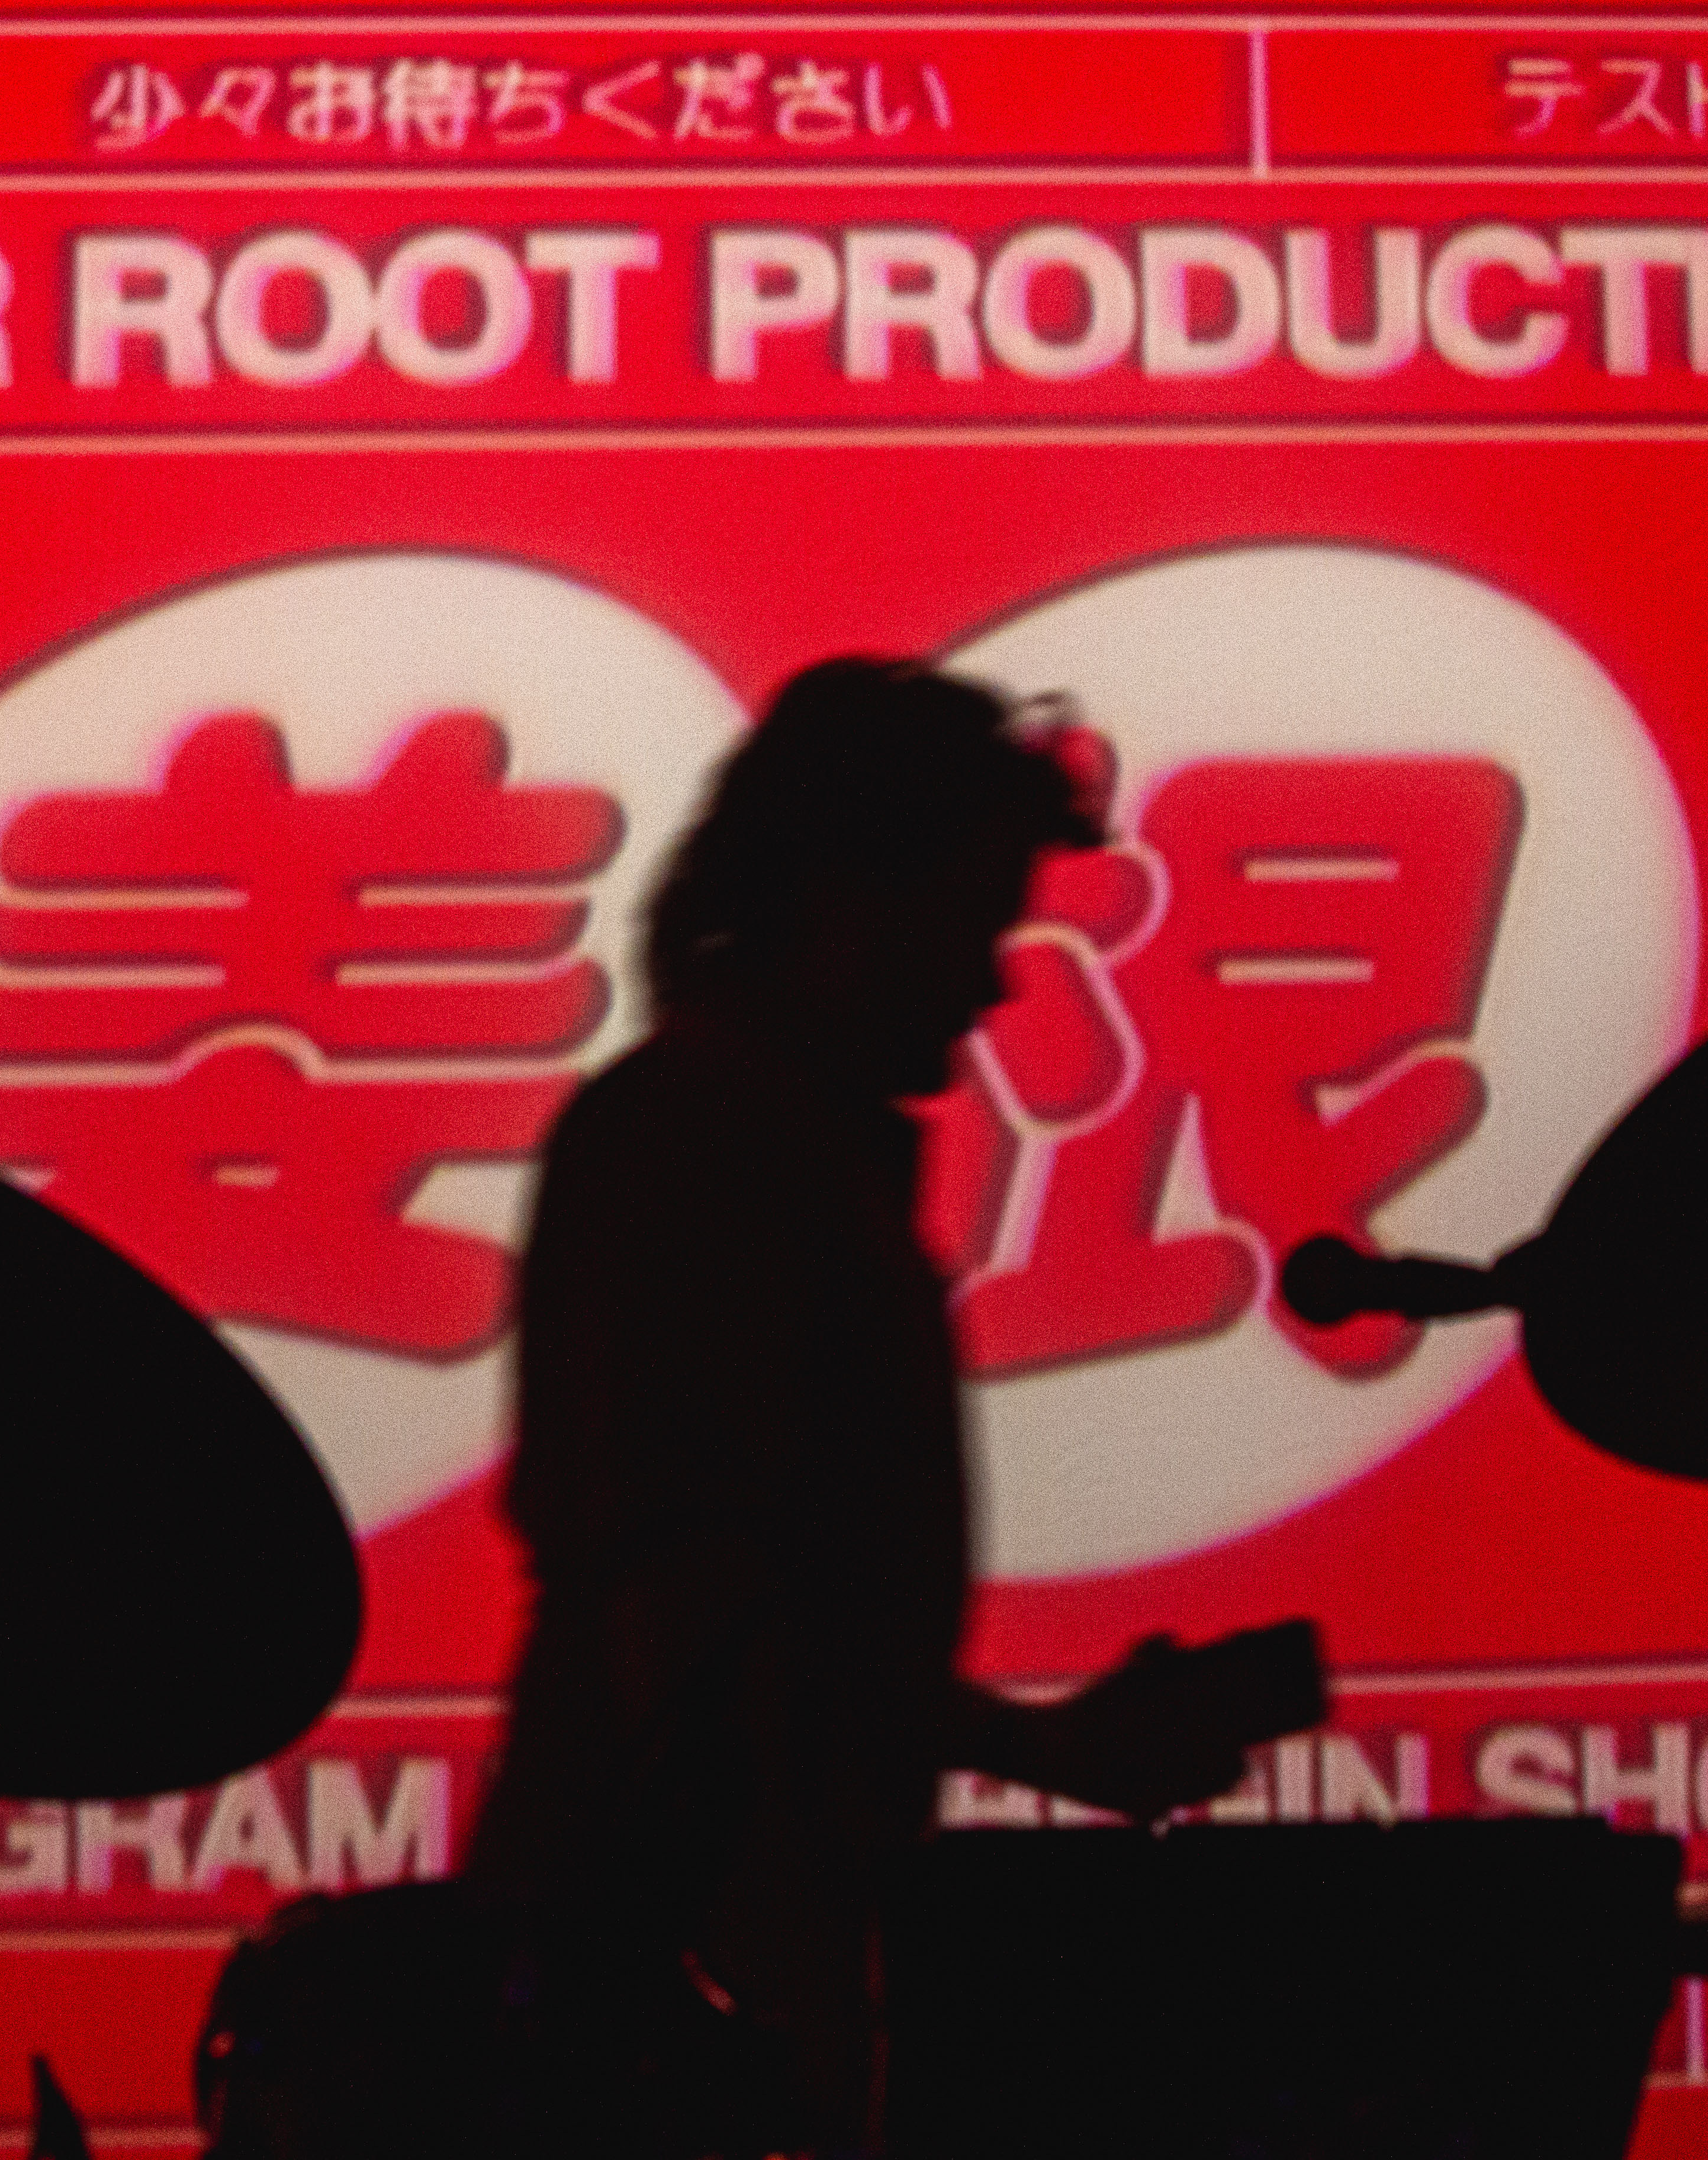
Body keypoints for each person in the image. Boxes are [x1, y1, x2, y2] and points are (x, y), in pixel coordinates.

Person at [467, 660, 1252, 2158]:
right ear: (837, 899)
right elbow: (698, 1635)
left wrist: (1049, 1751)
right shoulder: (704, 1145)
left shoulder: (748, 1144)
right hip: (657, 2027)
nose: (992, 984)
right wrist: (795, 1999)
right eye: (970, 923)